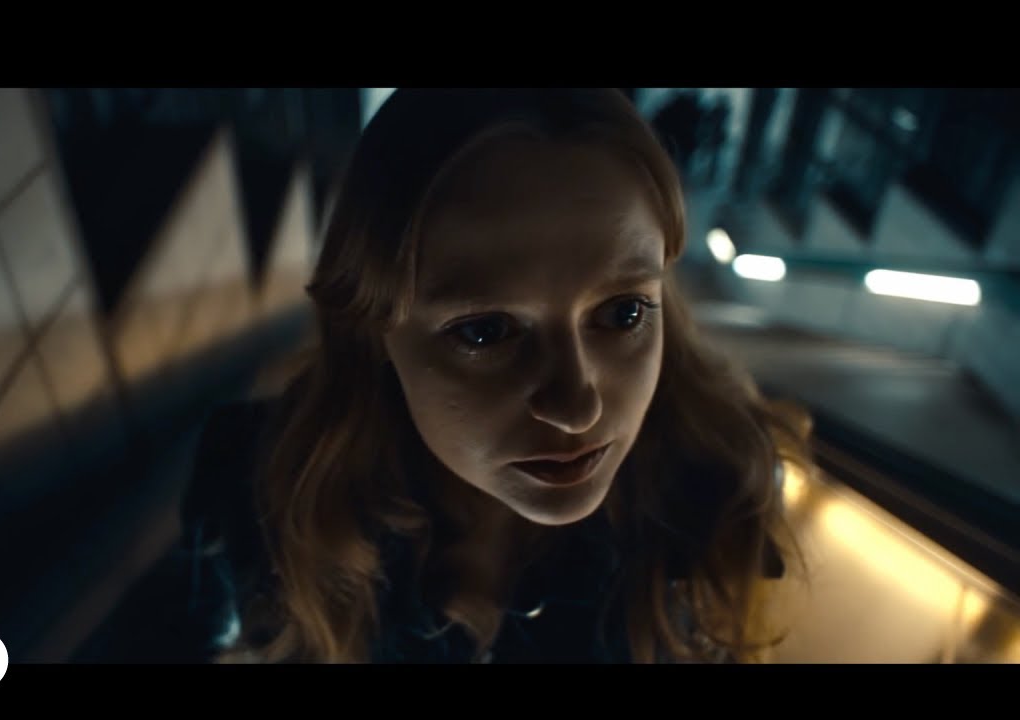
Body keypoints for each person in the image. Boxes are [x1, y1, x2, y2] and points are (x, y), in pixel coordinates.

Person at [133, 88, 812, 664]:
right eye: (486, 331)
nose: (577, 407)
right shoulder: (255, 493)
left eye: (623, 312)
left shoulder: (721, 488)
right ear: (372, 329)